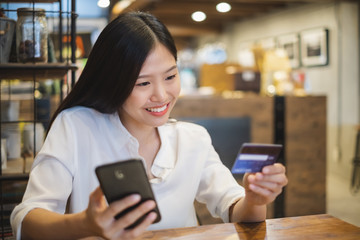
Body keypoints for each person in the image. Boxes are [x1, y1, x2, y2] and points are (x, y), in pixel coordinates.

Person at [10, 11, 288, 240]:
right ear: (113, 81)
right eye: (143, 83)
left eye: (170, 76)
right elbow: (26, 220)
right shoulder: (76, 126)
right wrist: (86, 224)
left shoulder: (192, 138)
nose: (162, 95)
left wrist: (254, 199)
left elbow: (236, 212)